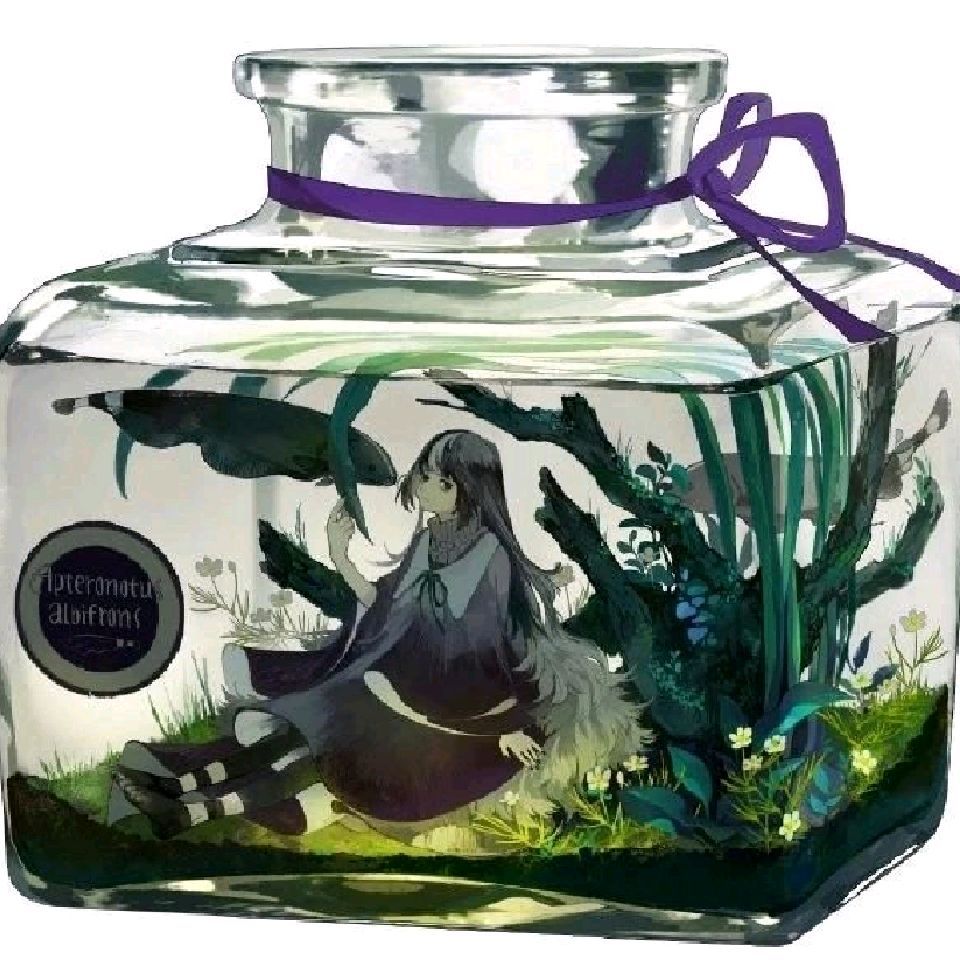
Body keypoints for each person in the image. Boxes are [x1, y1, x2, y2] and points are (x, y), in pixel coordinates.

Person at [113, 429, 650, 841]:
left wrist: (504, 727)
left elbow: (496, 654)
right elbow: (385, 609)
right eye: (424, 474)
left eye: (435, 478)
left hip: (457, 706)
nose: (420, 485)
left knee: (325, 740)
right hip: (398, 678)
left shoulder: (491, 557)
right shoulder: (431, 538)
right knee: (309, 720)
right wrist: (341, 556)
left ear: (463, 488)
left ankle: (189, 808)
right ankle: (179, 795)